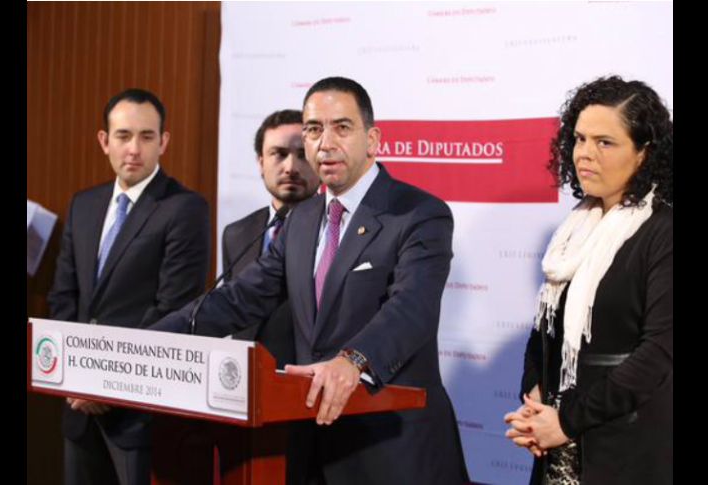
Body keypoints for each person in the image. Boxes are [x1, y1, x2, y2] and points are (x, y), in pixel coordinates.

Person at [151, 76, 468, 485]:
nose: (325, 142)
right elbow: (239, 298)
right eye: (314, 130)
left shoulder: (419, 213)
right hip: (312, 447)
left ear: (372, 140)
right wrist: (150, 341)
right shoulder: (300, 220)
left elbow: (411, 309)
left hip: (393, 449)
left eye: (342, 127)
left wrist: (353, 361)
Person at [504, 76, 673, 484]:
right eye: (579, 139)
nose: (585, 154)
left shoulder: (664, 231)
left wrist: (565, 420)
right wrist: (535, 399)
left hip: (627, 453)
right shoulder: (574, 230)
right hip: (559, 449)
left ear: (644, 152)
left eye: (605, 142)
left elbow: (658, 353)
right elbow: (545, 331)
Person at [47, 88, 211, 485]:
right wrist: (76, 380)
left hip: (139, 412)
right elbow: (63, 298)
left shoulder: (185, 209)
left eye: (146, 136)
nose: (133, 149)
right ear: (104, 141)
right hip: (78, 407)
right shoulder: (84, 204)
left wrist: (106, 384)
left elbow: (172, 310)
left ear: (164, 142)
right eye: (123, 136)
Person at [223, 109, 320, 368]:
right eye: (278, 154)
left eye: (302, 155)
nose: (290, 167)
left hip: (308, 380)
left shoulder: (337, 229)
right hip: (245, 379)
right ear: (260, 162)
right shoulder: (236, 234)